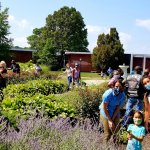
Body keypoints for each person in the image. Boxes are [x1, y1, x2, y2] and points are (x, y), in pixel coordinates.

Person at [99, 80, 126, 144]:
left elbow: (118, 108)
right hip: (105, 112)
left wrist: (113, 119)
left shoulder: (122, 95)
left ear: (122, 87)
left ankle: (116, 146)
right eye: (116, 86)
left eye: (120, 86)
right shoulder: (108, 94)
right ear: (113, 86)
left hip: (115, 112)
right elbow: (104, 107)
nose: (118, 88)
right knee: (108, 132)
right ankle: (104, 146)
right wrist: (109, 120)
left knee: (116, 131)